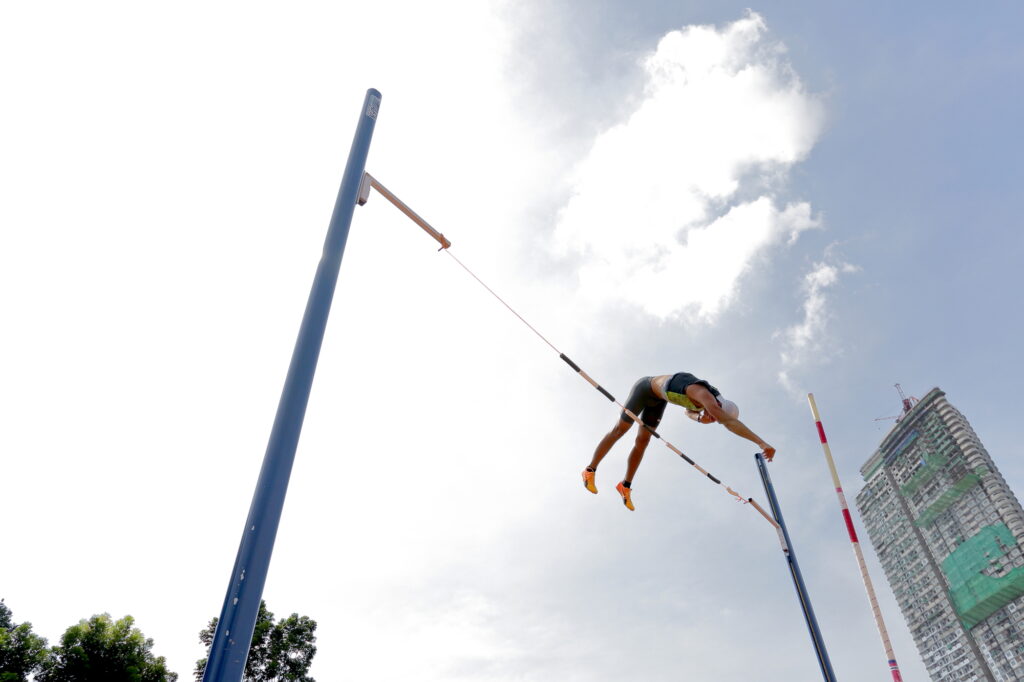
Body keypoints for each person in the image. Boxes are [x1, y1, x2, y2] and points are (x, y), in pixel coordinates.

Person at [581, 372, 775, 511]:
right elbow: (730, 423)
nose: (712, 417)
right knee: (621, 429)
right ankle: (590, 470)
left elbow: (688, 411)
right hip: (645, 388)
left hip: (658, 401)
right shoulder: (704, 394)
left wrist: (699, 418)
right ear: (718, 405)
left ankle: (625, 485)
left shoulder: (707, 403)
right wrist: (761, 442)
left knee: (643, 441)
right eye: (715, 415)